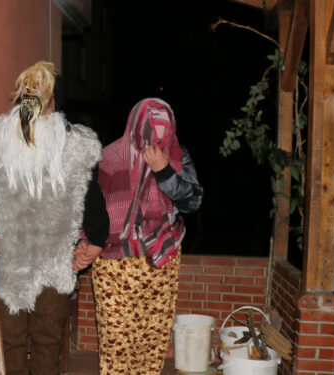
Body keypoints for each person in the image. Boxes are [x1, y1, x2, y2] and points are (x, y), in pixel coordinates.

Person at [0, 61, 109, 375]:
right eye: (28, 98)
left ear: (55, 103)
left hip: (55, 257)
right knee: (11, 338)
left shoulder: (74, 144)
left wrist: (98, 239)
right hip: (8, 257)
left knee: (48, 336)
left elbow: (92, 194)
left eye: (43, 99)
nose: (35, 106)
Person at [93, 98, 203, 374]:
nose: (157, 140)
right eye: (149, 132)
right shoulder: (108, 157)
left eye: (164, 133)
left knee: (150, 340)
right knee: (117, 340)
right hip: (114, 262)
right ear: (135, 128)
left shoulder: (177, 156)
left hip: (160, 260)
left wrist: (164, 171)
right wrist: (84, 241)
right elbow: (88, 208)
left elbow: (193, 202)